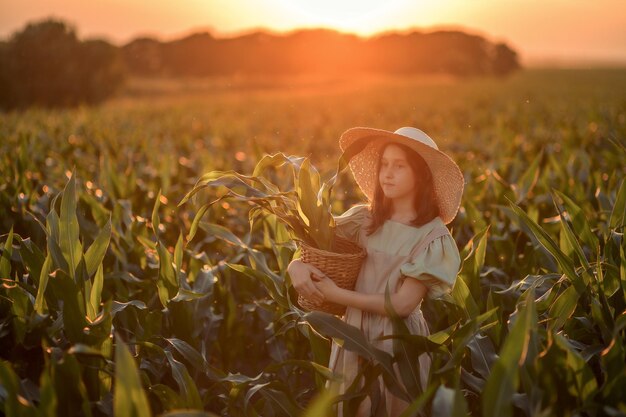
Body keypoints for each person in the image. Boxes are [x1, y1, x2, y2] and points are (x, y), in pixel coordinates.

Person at [288, 126, 464, 416]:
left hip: (398, 345)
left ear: (420, 175)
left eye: (399, 166)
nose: (387, 174)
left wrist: (338, 295)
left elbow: (403, 304)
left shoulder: (431, 236)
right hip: (352, 335)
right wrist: (296, 267)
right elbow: (315, 247)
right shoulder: (364, 220)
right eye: (384, 165)